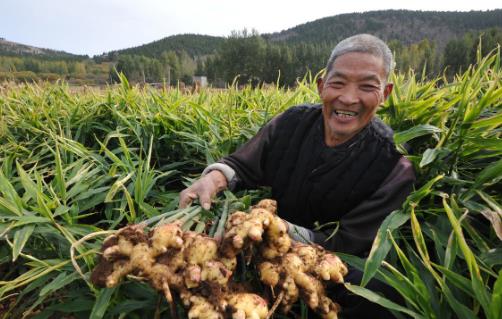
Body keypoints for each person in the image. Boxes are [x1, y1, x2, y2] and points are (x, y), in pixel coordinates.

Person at [179, 34, 415, 318]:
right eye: (338, 83)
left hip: (325, 261)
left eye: (367, 86)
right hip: (255, 243)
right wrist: (213, 179)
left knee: (377, 290)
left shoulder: (393, 164)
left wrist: (283, 231)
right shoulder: (291, 123)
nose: (349, 98)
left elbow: (351, 243)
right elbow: (242, 164)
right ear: (321, 86)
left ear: (385, 93)